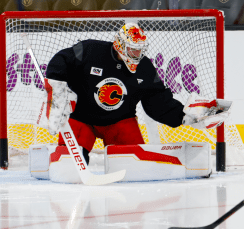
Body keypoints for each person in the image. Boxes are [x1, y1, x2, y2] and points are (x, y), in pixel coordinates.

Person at [42, 22, 230, 165]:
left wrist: (184, 116)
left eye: (140, 50)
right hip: (82, 119)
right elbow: (60, 61)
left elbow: (157, 103)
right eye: (133, 49)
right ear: (120, 45)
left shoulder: (144, 66)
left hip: (119, 123)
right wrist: (57, 89)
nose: (137, 54)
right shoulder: (90, 50)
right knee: (68, 164)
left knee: (134, 166)